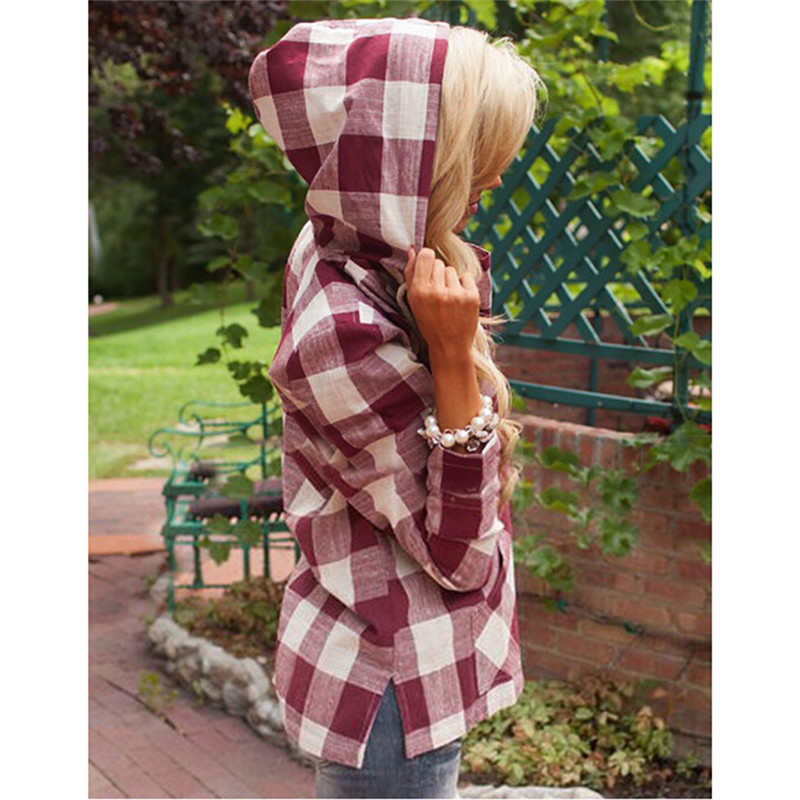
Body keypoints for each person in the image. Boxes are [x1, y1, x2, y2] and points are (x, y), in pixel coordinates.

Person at [249, 16, 541, 799]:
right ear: (416, 158)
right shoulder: (342, 334)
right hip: (390, 682)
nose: (494, 179)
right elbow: (458, 554)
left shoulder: (348, 245)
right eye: (481, 154)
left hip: (402, 668)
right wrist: (451, 357)